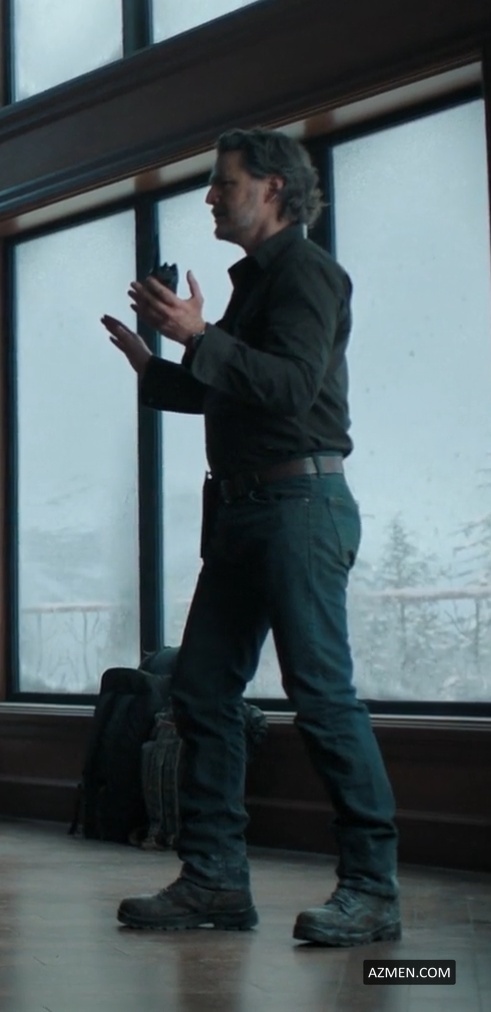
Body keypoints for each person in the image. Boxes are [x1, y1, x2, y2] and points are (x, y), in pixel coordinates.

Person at [101, 127, 400, 946]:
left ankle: (372, 891)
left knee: (320, 695)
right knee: (200, 690)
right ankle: (215, 882)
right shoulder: (259, 284)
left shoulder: (307, 273)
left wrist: (199, 337)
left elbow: (291, 386)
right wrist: (153, 364)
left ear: (272, 187)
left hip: (298, 507)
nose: (209, 195)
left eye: (222, 182)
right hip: (245, 511)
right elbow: (236, 390)